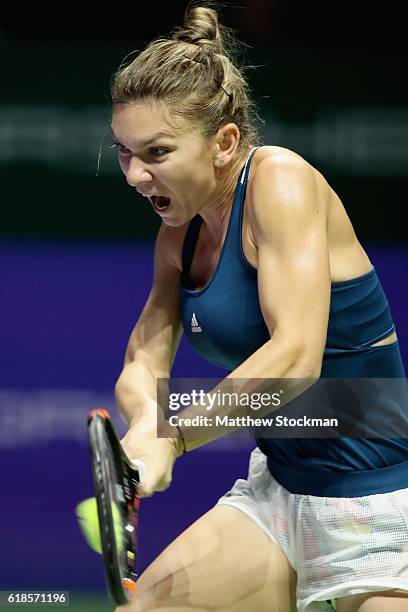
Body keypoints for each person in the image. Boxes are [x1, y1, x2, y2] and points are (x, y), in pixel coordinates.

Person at [110, 3, 408, 611]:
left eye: (158, 153)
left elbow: (296, 358)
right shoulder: (180, 230)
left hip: (382, 501)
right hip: (280, 492)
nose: (135, 175)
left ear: (224, 142)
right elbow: (147, 350)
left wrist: (173, 436)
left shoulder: (281, 181)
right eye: (124, 152)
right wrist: (145, 419)